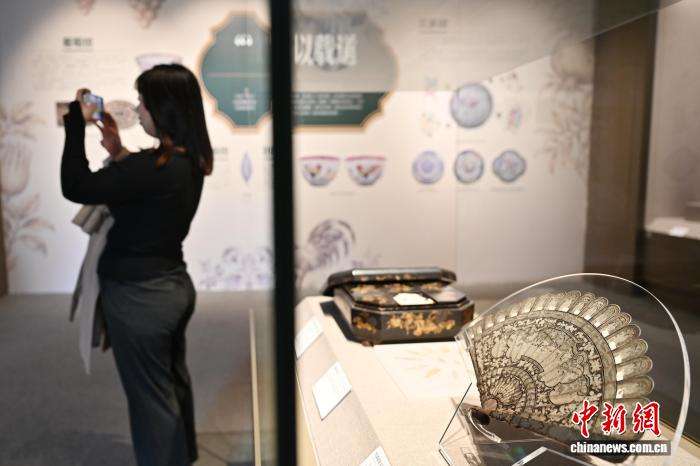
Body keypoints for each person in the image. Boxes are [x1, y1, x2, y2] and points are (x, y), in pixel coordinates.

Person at [61, 64, 213, 466]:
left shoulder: (151, 169)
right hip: (170, 287)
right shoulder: (187, 161)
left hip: (139, 298)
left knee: (151, 401)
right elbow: (144, 183)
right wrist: (117, 151)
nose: (138, 110)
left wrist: (75, 125)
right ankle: (183, 457)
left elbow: (75, 186)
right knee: (170, 383)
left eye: (144, 102)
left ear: (164, 109)